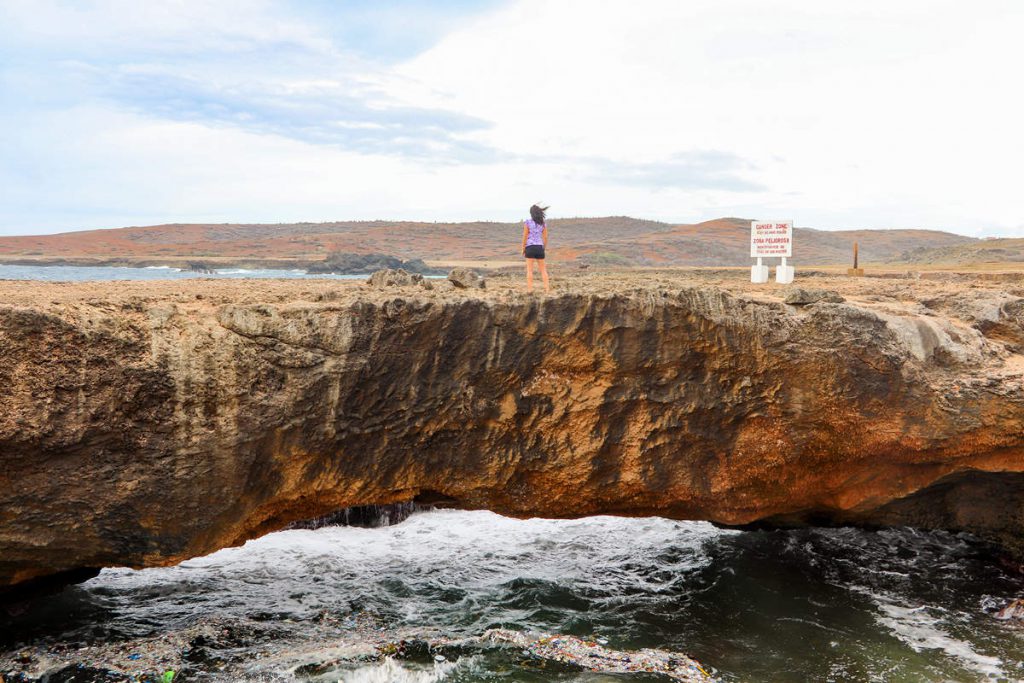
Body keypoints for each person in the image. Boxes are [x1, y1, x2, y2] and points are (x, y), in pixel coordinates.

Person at [521, 203, 550, 292]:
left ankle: (530, 290)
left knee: (529, 270)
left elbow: (525, 236)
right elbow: (545, 238)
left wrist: (523, 248)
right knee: (543, 270)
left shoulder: (528, 222)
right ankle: (547, 289)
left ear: (531, 213)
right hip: (539, 248)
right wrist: (543, 248)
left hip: (529, 247)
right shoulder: (543, 224)